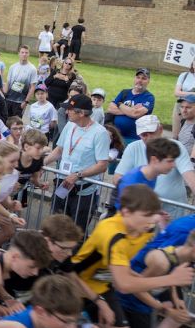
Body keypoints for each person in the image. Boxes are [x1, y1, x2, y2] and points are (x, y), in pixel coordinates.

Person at [64, 185, 193, 328]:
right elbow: (125, 284)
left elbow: (127, 275)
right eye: (145, 215)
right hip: (78, 286)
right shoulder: (112, 234)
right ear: (125, 212)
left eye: (153, 215)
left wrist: (168, 295)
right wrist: (167, 284)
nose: (150, 221)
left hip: (105, 286)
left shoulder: (145, 230)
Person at [44, 94, 110, 231]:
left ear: (82, 113)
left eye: (70, 109)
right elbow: (59, 149)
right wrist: (43, 163)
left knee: (75, 232)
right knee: (54, 227)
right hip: (62, 185)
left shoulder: (100, 133)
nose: (66, 112)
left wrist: (78, 175)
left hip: (83, 192)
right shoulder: (70, 125)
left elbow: (102, 165)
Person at [114, 114, 195, 216]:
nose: (148, 138)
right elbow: (118, 177)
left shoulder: (175, 146)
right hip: (143, 210)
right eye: (144, 135)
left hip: (172, 209)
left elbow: (189, 176)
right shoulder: (133, 148)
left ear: (160, 129)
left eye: (151, 133)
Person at [107, 68, 155, 144]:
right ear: (134, 78)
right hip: (114, 136)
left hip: (133, 139)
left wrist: (120, 104)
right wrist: (131, 109)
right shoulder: (124, 92)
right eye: (138, 77)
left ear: (148, 81)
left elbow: (136, 113)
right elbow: (110, 108)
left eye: (143, 78)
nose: (139, 80)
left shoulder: (149, 97)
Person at [4, 45, 38, 118]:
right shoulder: (13, 67)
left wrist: (26, 102)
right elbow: (8, 82)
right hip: (8, 100)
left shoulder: (32, 69)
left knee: (16, 124)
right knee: (5, 121)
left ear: (29, 54)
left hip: (20, 102)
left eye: (26, 52)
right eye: (22, 52)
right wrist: (4, 97)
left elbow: (32, 87)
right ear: (18, 53)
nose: (24, 54)